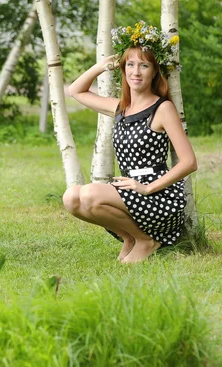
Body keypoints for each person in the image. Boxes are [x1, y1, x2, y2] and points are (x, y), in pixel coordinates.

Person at [63, 21, 197, 264]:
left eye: (144, 65)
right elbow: (76, 91)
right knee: (71, 197)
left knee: (91, 193)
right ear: (123, 70)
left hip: (159, 195)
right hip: (127, 189)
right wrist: (102, 66)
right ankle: (130, 238)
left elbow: (189, 162)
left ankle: (146, 240)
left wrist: (147, 188)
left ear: (154, 71)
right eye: (131, 65)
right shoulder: (120, 108)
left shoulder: (163, 108)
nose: (136, 72)